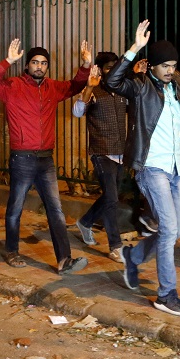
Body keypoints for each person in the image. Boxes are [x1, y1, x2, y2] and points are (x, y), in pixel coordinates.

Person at [103, 20, 180, 316]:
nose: (169, 70)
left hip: (175, 168)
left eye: (173, 65)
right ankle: (166, 294)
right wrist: (133, 49)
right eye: (164, 65)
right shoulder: (139, 88)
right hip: (151, 167)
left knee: (174, 229)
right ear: (152, 65)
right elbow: (111, 82)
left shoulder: (177, 83)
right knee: (168, 231)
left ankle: (132, 256)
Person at [0, 37, 91, 274]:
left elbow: (75, 86)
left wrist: (86, 66)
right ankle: (12, 251)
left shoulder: (53, 87)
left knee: (56, 210)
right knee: (15, 208)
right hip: (22, 158)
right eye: (34, 62)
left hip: (46, 159)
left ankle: (64, 260)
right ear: (27, 65)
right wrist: (7, 60)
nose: (39, 66)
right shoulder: (12, 86)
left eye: (43, 63)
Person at [72, 52, 129, 263]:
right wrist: (88, 87)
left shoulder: (123, 90)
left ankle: (86, 222)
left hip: (120, 152)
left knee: (109, 196)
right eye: (107, 67)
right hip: (101, 152)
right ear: (101, 70)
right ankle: (115, 246)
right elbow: (77, 112)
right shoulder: (94, 90)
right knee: (112, 199)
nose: (112, 71)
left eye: (115, 67)